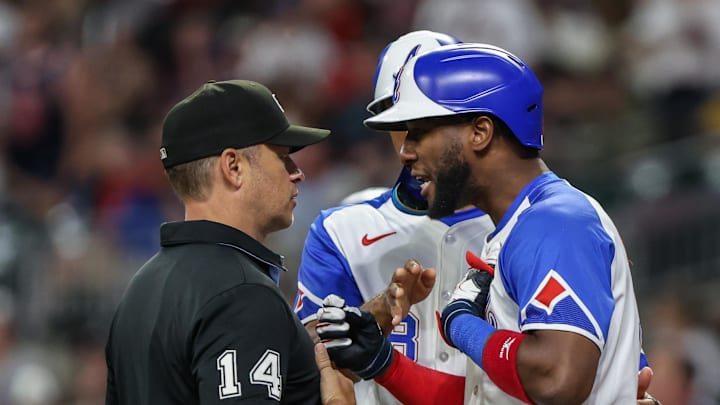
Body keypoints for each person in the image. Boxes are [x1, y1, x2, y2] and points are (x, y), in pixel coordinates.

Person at [319, 43, 655, 404]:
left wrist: (462, 324)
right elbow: (488, 396)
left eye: (419, 132)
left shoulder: (554, 220)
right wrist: (383, 363)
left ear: (479, 132)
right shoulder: (521, 226)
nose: (406, 151)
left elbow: (557, 379)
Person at [293, 30, 494, 405]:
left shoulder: (519, 223)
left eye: (431, 117)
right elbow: (309, 366)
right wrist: (378, 313)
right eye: (401, 116)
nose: (413, 136)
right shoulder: (342, 230)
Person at [104, 79, 332, 404]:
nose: (297, 172)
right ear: (233, 166)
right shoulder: (243, 294)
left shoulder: (140, 291)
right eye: (282, 156)